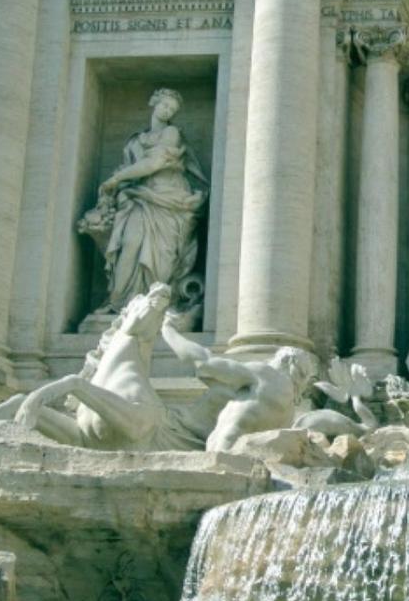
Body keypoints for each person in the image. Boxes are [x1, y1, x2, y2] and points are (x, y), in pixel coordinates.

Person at [80, 88, 207, 313]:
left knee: (162, 256)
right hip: (139, 198)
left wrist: (117, 178)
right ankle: (119, 302)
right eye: (165, 105)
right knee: (129, 245)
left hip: (169, 200)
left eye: (172, 109)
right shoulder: (135, 140)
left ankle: (153, 306)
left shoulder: (171, 133)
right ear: (153, 103)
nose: (168, 111)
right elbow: (132, 167)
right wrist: (119, 184)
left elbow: (153, 164)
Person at [160, 316, 307, 453]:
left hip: (224, 451)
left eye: (272, 359)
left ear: (285, 360)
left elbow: (206, 364)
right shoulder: (289, 412)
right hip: (241, 457)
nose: (268, 361)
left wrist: (168, 330)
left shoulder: (267, 374)